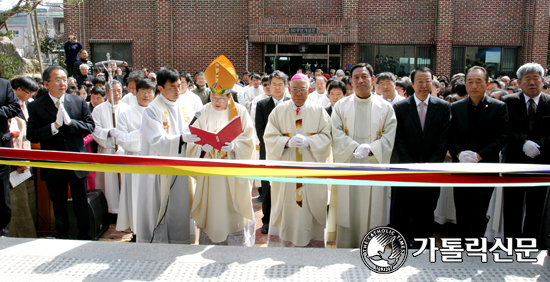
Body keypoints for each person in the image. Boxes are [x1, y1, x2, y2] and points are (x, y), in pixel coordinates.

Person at [186, 56, 256, 246]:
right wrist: (201, 147)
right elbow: (192, 138)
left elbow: (249, 139)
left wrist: (234, 147)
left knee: (232, 209)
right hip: (210, 173)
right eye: (213, 98)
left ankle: (236, 243)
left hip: (232, 171)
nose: (216, 102)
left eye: (221, 98)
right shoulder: (204, 111)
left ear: (229, 97)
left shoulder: (240, 112)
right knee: (213, 208)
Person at [328, 63, 397, 248]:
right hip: (348, 166)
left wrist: (372, 148)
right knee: (348, 209)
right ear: (351, 81)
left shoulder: (386, 108)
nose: (360, 80)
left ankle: (373, 249)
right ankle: (347, 246)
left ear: (373, 80)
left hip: (375, 167)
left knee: (373, 211)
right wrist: (352, 147)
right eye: (356, 77)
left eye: (364, 77)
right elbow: (335, 132)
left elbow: (390, 137)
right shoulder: (341, 105)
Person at [263, 73, 332, 247]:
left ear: (309, 89)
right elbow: (269, 136)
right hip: (286, 168)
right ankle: (283, 243)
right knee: (286, 205)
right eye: (295, 89)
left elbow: (327, 136)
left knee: (309, 207)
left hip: (310, 169)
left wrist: (311, 141)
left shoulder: (318, 111)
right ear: (289, 89)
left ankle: (311, 243)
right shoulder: (279, 110)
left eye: (303, 89)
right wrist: (286, 141)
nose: (299, 93)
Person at [27, 66, 94, 239]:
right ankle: (62, 235)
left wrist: (71, 123)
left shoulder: (78, 101)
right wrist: (53, 127)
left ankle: (85, 235)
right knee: (58, 202)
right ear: (46, 83)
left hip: (76, 159)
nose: (62, 83)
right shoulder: (36, 106)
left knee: (81, 201)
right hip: (53, 161)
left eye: (64, 79)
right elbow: (32, 134)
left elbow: (90, 126)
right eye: (57, 80)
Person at [136, 67, 199, 244]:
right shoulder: (152, 110)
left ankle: (181, 241)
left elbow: (189, 133)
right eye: (172, 87)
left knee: (180, 207)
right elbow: (157, 141)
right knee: (161, 207)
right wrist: (181, 139)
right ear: (160, 88)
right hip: (160, 169)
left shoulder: (183, 107)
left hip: (180, 167)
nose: (177, 91)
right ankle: (158, 243)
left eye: (179, 85)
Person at [390, 67, 451, 248]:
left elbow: (443, 139)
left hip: (432, 171)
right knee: (402, 209)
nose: (425, 86)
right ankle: (400, 244)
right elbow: (398, 140)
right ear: (412, 83)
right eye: (420, 82)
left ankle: (422, 245)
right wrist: (412, 166)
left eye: (428, 81)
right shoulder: (400, 107)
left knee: (426, 209)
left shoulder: (443, 107)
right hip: (405, 170)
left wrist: (430, 166)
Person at [449, 66, 508, 240]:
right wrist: (459, 154)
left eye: (478, 81)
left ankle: (476, 245)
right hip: (461, 168)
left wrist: (479, 155)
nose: (474, 85)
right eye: (470, 81)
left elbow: (501, 137)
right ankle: (462, 245)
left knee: (479, 210)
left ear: (487, 83)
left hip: (485, 168)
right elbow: (450, 136)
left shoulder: (498, 107)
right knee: (461, 208)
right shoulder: (456, 107)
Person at [503, 63, 550, 249]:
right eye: (527, 79)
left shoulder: (549, 103)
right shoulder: (508, 102)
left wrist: (540, 145)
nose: (532, 82)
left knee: (536, 206)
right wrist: (523, 142)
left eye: (535, 78)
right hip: (514, 161)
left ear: (543, 81)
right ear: (519, 82)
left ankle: (531, 244)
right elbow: (504, 129)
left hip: (541, 162)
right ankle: (511, 244)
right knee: (512, 205)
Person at [114, 79, 156, 241]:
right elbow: (123, 139)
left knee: (154, 198)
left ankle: (155, 230)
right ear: (135, 92)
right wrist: (141, 132)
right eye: (142, 91)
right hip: (136, 160)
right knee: (136, 198)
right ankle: (138, 233)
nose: (146, 95)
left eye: (149, 92)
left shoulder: (159, 112)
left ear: (155, 93)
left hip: (155, 161)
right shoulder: (126, 114)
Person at [255, 71, 291, 234]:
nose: (276, 88)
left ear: (285, 86)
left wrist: (287, 143)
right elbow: (260, 130)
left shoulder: (293, 103)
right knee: (268, 187)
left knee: (288, 187)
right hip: (268, 152)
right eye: (273, 84)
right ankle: (267, 220)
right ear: (269, 86)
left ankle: (287, 218)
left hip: (290, 152)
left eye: (280, 84)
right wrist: (278, 144)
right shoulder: (262, 105)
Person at [91, 80, 130, 214]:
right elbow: (95, 130)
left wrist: (124, 143)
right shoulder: (98, 109)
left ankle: (125, 210)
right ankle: (111, 210)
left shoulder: (127, 108)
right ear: (107, 92)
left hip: (123, 151)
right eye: (113, 91)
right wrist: (108, 133)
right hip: (107, 150)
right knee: (109, 184)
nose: (117, 94)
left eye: (119, 90)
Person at [7, 77, 36, 237]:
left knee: (27, 198)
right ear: (17, 90)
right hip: (12, 162)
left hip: (26, 158)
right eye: (28, 92)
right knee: (16, 201)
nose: (30, 95)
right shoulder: (9, 107)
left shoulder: (29, 105)